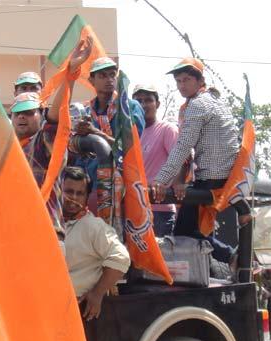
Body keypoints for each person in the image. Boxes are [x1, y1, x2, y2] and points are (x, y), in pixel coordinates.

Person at [151, 58, 252, 263]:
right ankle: (229, 259)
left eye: (186, 80)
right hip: (224, 176)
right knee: (187, 231)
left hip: (212, 178)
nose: (181, 86)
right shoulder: (214, 99)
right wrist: (179, 182)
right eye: (178, 81)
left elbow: (183, 146)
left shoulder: (197, 104)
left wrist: (160, 181)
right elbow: (187, 150)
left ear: (199, 81)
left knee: (184, 233)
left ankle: (231, 257)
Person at [10, 37, 93, 242]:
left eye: (29, 112)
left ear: (41, 113)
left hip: (45, 235)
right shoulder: (4, 147)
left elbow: (56, 118)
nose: (22, 116)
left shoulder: (42, 142)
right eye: (18, 113)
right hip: (12, 236)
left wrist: (70, 75)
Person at [74, 57, 145, 212]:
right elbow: (79, 154)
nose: (109, 80)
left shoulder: (130, 108)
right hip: (92, 187)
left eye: (112, 75)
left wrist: (96, 133)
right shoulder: (85, 112)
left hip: (126, 187)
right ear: (91, 80)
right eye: (102, 76)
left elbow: (132, 149)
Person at [62, 166, 130, 321]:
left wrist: (97, 294)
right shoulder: (52, 221)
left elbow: (121, 257)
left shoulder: (94, 226)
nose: (73, 198)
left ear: (87, 197)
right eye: (69, 191)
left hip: (76, 311)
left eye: (79, 193)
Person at [132, 83, 180, 236]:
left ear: (157, 104)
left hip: (160, 212)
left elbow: (181, 161)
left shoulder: (167, 130)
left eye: (148, 100)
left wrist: (164, 182)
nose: (143, 104)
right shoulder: (129, 133)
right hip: (134, 210)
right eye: (138, 100)